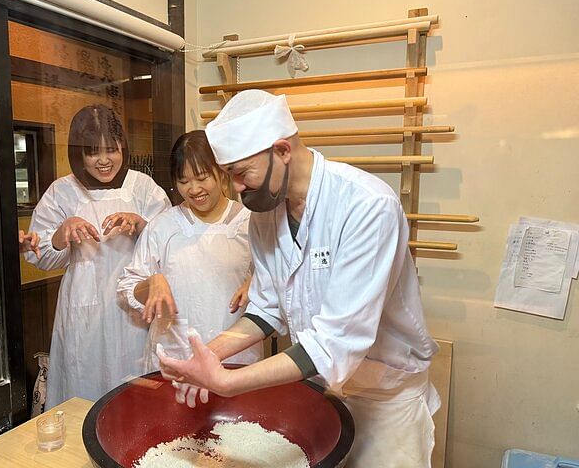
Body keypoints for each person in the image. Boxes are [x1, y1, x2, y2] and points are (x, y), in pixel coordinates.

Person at [158, 90, 440, 467]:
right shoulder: (266, 214)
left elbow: (336, 341)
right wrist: (209, 355)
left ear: (282, 151)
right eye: (230, 176)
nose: (236, 189)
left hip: (386, 399)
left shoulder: (366, 206)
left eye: (242, 174)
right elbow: (266, 309)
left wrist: (226, 382)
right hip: (325, 388)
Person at [25, 104, 170, 409]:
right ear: (79, 155)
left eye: (111, 150)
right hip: (83, 308)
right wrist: (61, 234)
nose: (104, 161)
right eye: (92, 152)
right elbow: (39, 256)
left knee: (132, 385)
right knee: (82, 382)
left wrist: (142, 226)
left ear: (123, 147)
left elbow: (171, 246)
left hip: (133, 307)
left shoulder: (142, 188)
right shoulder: (62, 191)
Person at [117, 131, 262, 402]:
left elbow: (283, 282)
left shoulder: (251, 223)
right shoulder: (163, 226)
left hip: (236, 357)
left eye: (201, 177)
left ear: (221, 172)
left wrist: (258, 280)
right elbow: (126, 289)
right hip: (174, 356)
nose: (193, 189)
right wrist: (152, 283)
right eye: (183, 181)